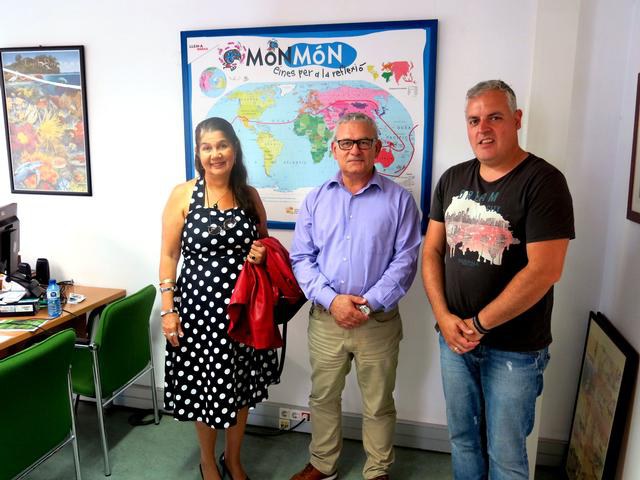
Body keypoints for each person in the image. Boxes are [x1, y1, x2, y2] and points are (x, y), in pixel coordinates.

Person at [421, 80, 575, 479]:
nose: (483, 129)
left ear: (517, 119)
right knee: (463, 440)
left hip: (515, 350)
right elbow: (431, 251)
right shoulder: (452, 179)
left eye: (494, 117)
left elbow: (545, 270)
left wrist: (478, 325)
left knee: (506, 454)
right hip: (454, 340)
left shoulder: (544, 182)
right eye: (474, 120)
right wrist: (444, 318)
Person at [289, 112, 422, 480]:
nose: (355, 150)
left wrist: (369, 303)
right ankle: (323, 463)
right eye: (346, 142)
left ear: (377, 148)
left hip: (376, 321)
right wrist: (333, 300)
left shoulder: (400, 201)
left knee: (378, 403)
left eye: (364, 142)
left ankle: (377, 469)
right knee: (323, 397)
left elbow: (406, 260)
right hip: (326, 319)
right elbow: (301, 258)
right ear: (334, 149)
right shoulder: (316, 200)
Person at [159, 117, 278, 480]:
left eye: (222, 145)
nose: (215, 154)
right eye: (207, 147)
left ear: (235, 149)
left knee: (240, 389)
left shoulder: (249, 195)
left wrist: (262, 253)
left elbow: (265, 243)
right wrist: (168, 310)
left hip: (243, 312)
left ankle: (234, 459)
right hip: (198, 313)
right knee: (203, 389)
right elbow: (169, 255)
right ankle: (208, 461)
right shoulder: (183, 195)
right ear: (198, 153)